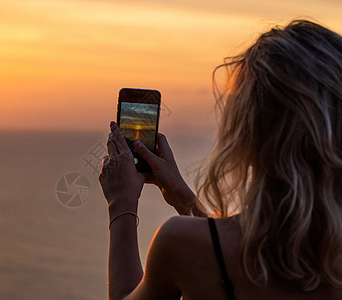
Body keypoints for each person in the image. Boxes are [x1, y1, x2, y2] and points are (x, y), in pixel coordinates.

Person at [99, 19, 342, 300]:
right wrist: (178, 193)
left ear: (246, 132)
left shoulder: (179, 243)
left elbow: (217, 255)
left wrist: (122, 202)